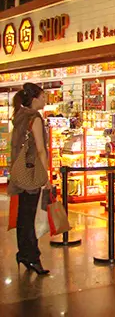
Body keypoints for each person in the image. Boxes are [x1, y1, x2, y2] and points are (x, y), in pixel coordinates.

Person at [9, 83, 50, 275]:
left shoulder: (19, 116)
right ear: (34, 98)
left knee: (23, 215)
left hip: (19, 172)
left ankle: (23, 253)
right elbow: (40, 149)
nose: (45, 100)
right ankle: (32, 256)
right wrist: (46, 175)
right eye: (42, 97)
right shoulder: (35, 118)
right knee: (31, 216)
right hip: (32, 172)